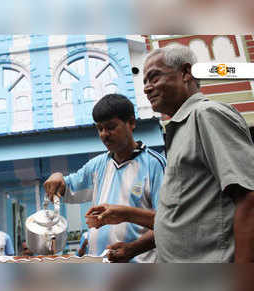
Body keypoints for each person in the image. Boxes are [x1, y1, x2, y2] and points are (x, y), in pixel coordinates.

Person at [88, 44, 254, 263]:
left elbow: (249, 199)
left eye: (154, 78)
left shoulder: (206, 115)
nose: (147, 88)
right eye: (145, 81)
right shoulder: (181, 128)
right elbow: (179, 219)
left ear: (186, 73)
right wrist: (131, 242)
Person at [44, 94, 166, 262]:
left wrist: (132, 249)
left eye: (110, 127)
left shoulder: (155, 164)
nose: (104, 134)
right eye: (99, 128)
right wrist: (57, 176)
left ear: (131, 123)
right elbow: (67, 187)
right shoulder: (97, 165)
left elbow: (168, 223)